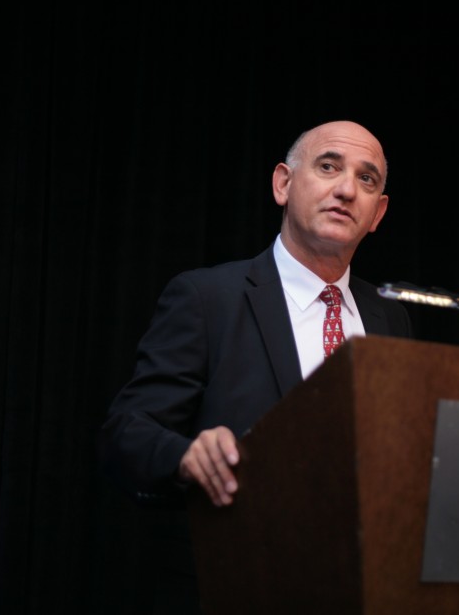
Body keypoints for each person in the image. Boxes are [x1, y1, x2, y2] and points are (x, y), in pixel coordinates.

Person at [96, 120, 412, 613]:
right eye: (329, 167)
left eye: (367, 179)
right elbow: (126, 432)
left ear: (379, 213)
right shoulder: (208, 298)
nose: (347, 190)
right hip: (235, 585)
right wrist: (185, 455)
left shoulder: (390, 316)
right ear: (283, 183)